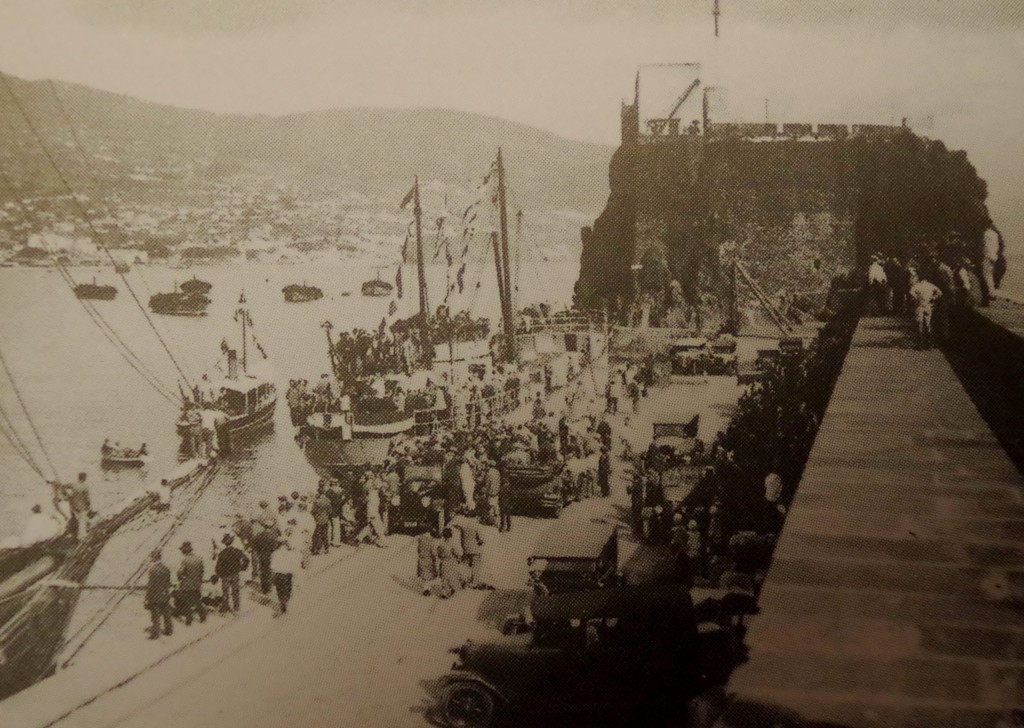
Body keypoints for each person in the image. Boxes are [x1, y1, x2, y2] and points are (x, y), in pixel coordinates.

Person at [451, 507, 485, 588]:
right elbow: (480, 539)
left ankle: (465, 579)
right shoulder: (476, 526)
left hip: (465, 548)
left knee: (465, 564)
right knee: (476, 565)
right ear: (475, 517)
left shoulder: (464, 525)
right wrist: (481, 542)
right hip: (474, 549)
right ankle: (474, 582)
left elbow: (458, 528)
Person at [215, 534, 248, 613]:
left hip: (225, 576)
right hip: (235, 574)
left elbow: (218, 567)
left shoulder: (222, 553)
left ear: (224, 543)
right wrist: (242, 568)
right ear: (232, 542)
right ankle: (236, 607)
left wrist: (219, 574)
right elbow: (246, 559)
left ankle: (226, 607)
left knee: (225, 592)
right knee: (235, 591)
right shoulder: (237, 551)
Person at [271, 532, 302, 614]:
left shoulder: (275, 553)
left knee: (279, 590)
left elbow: (272, 566)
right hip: (288, 575)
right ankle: (285, 600)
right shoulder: (290, 553)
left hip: (278, 574)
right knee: (288, 589)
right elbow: (295, 564)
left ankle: (282, 601)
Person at [176, 541, 206, 626]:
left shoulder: (185, 560)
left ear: (185, 551)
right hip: (197, 584)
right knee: (197, 601)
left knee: (187, 603)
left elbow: (180, 572)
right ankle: (203, 616)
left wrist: (179, 576)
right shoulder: (199, 559)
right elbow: (201, 571)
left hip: (187, 585)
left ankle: (189, 620)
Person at [145, 550, 173, 639]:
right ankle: (168, 630)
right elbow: (168, 582)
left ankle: (155, 633)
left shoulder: (152, 570)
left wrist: (147, 597)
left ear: (154, 558)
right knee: (166, 613)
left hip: (155, 595)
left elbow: (151, 585)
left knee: (155, 615)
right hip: (165, 594)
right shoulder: (166, 568)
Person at [909, 274, 942, 350]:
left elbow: (911, 293)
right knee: (928, 324)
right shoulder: (931, 285)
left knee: (919, 324)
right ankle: (929, 344)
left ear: (920, 279)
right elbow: (940, 293)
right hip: (928, 305)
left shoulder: (917, 285)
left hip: (919, 306)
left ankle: (920, 344)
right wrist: (933, 298)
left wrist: (916, 299)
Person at [435, 527, 466, 599]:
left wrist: (441, 557)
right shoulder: (452, 543)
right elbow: (456, 553)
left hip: (443, 562)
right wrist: (459, 559)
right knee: (452, 576)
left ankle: (444, 591)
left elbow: (438, 553)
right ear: (451, 535)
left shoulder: (440, 543)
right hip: (451, 561)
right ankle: (452, 587)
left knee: (444, 577)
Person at [68, 472, 92, 541]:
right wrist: (89, 506)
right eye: (85, 477)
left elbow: (65, 488)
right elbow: (87, 498)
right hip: (82, 507)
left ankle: (75, 536)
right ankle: (82, 537)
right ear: (83, 478)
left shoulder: (73, 485)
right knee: (82, 522)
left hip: (74, 507)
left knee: (78, 521)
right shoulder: (85, 487)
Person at [310, 483, 332, 555]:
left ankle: (317, 549)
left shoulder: (317, 501)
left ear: (318, 492)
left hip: (318, 520)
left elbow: (313, 511)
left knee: (318, 535)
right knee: (325, 534)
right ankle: (326, 548)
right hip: (325, 519)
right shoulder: (328, 500)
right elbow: (330, 511)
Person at [416, 528, 439, 596]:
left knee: (424, 574)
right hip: (429, 559)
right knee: (428, 575)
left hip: (421, 558)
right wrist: (435, 559)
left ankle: (426, 588)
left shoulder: (421, 538)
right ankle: (426, 589)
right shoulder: (431, 541)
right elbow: (433, 552)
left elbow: (418, 549)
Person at [497, 468, 513, 533]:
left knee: (502, 515)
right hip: (508, 501)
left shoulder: (502, 487)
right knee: (508, 514)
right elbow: (511, 494)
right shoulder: (509, 485)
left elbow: (500, 494)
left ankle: (502, 527)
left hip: (503, 501)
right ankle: (508, 527)